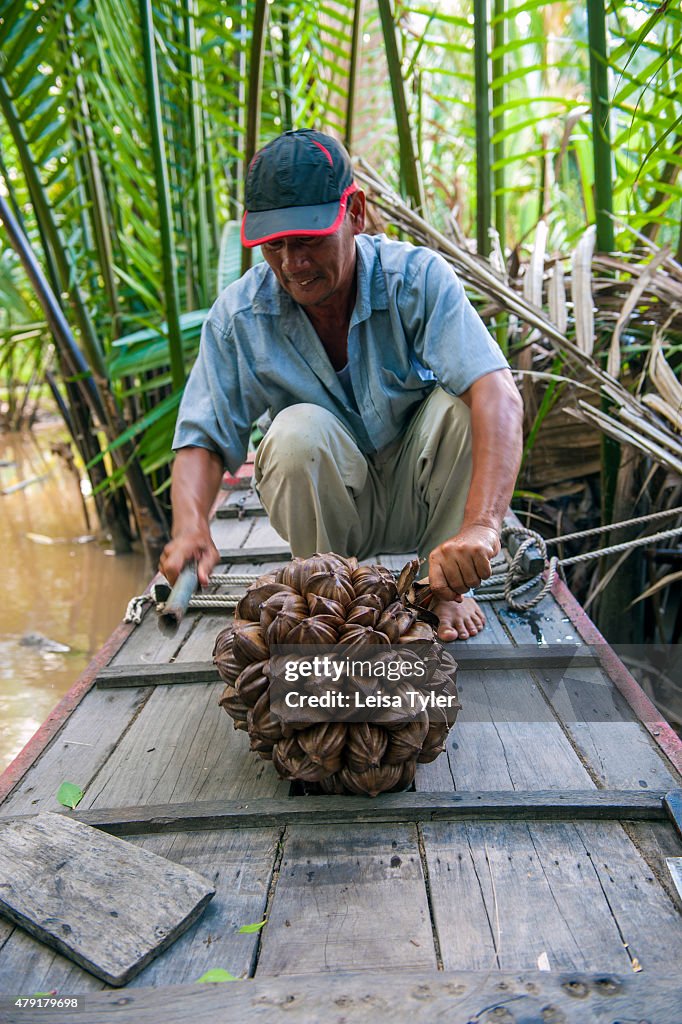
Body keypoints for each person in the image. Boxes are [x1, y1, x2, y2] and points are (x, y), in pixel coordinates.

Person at [160, 129, 523, 641]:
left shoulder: (415, 278)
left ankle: (444, 590)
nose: (292, 264)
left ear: (355, 212)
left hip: (423, 500)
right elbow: (202, 435)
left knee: (462, 407)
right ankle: (327, 600)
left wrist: (484, 526)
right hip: (332, 510)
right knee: (292, 434)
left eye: (308, 240)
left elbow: (499, 395)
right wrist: (190, 526)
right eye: (275, 245)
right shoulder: (238, 317)